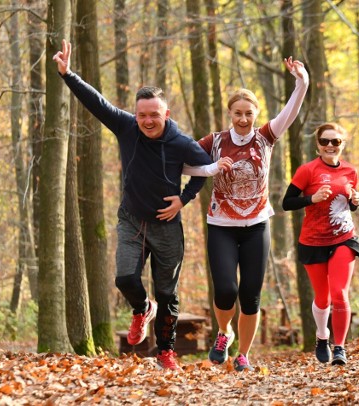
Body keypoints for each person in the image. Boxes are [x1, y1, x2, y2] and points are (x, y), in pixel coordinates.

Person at [53, 39, 229, 370]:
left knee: (168, 295)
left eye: (154, 115)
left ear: (166, 114)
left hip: (166, 226)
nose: (147, 121)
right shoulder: (126, 127)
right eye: (142, 115)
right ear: (135, 114)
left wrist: (184, 199)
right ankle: (140, 309)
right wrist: (68, 74)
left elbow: (205, 171)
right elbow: (98, 103)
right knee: (124, 279)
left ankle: (166, 351)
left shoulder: (181, 143)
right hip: (132, 219)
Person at [187, 57, 308, 371]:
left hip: (256, 225)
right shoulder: (215, 142)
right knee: (226, 290)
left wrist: (302, 81)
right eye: (237, 113)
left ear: (256, 114)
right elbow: (182, 164)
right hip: (222, 225)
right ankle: (223, 333)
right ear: (230, 113)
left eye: (248, 113)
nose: (243, 118)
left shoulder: (265, 137)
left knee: (251, 294)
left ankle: (243, 354)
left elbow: (291, 111)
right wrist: (212, 168)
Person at [281, 122, 359, 365]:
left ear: (342, 145)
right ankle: (322, 336)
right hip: (313, 240)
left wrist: (356, 201)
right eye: (325, 141)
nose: (330, 145)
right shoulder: (307, 171)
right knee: (323, 297)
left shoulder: (350, 171)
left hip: (344, 238)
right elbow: (287, 203)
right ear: (317, 145)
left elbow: (349, 205)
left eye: (335, 141)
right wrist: (311, 199)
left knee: (340, 294)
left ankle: (339, 348)